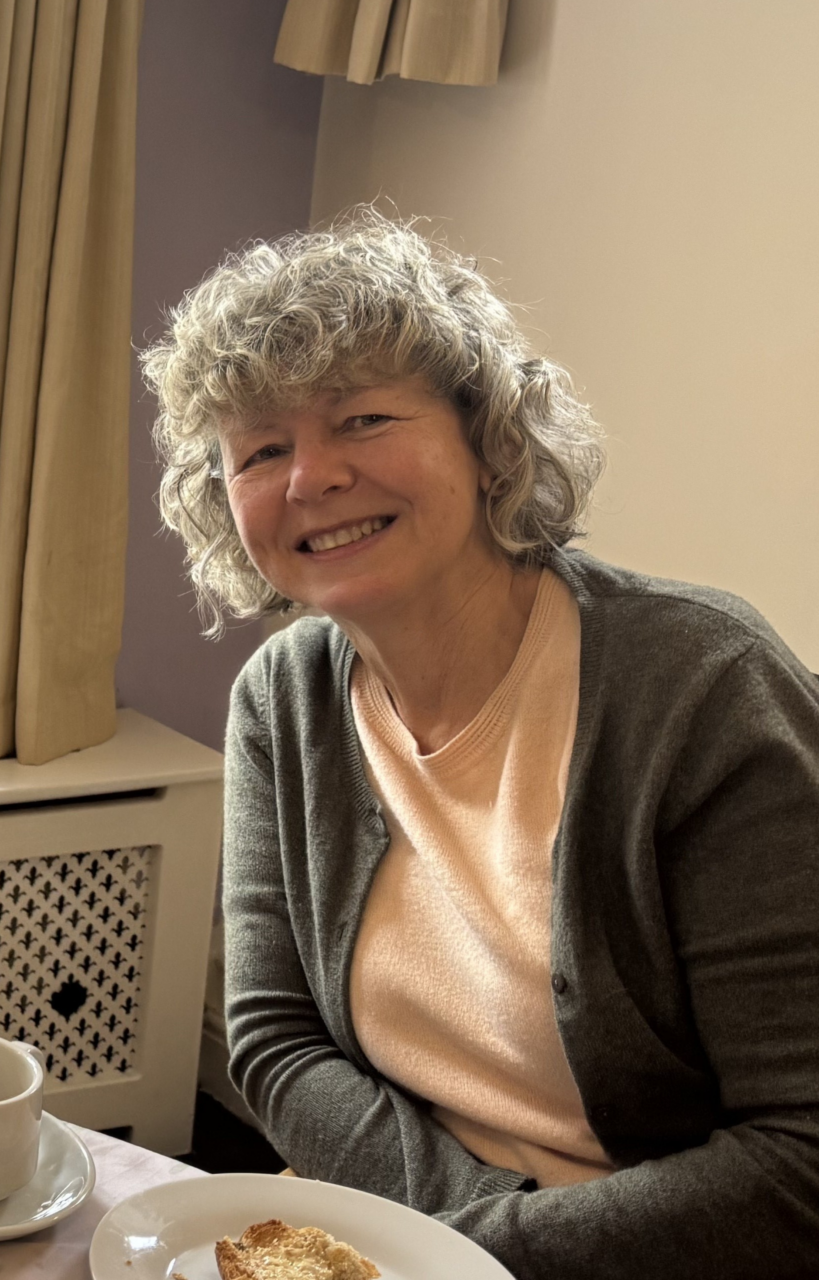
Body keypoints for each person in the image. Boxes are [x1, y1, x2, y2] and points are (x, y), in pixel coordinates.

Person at [144, 210, 819, 1277]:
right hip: (409, 1235)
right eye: (261, 449)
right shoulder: (282, 698)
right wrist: (448, 1248)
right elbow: (274, 1041)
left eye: (361, 418)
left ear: (487, 436)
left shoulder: (702, 689)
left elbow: (800, 1158)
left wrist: (477, 1256)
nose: (309, 476)